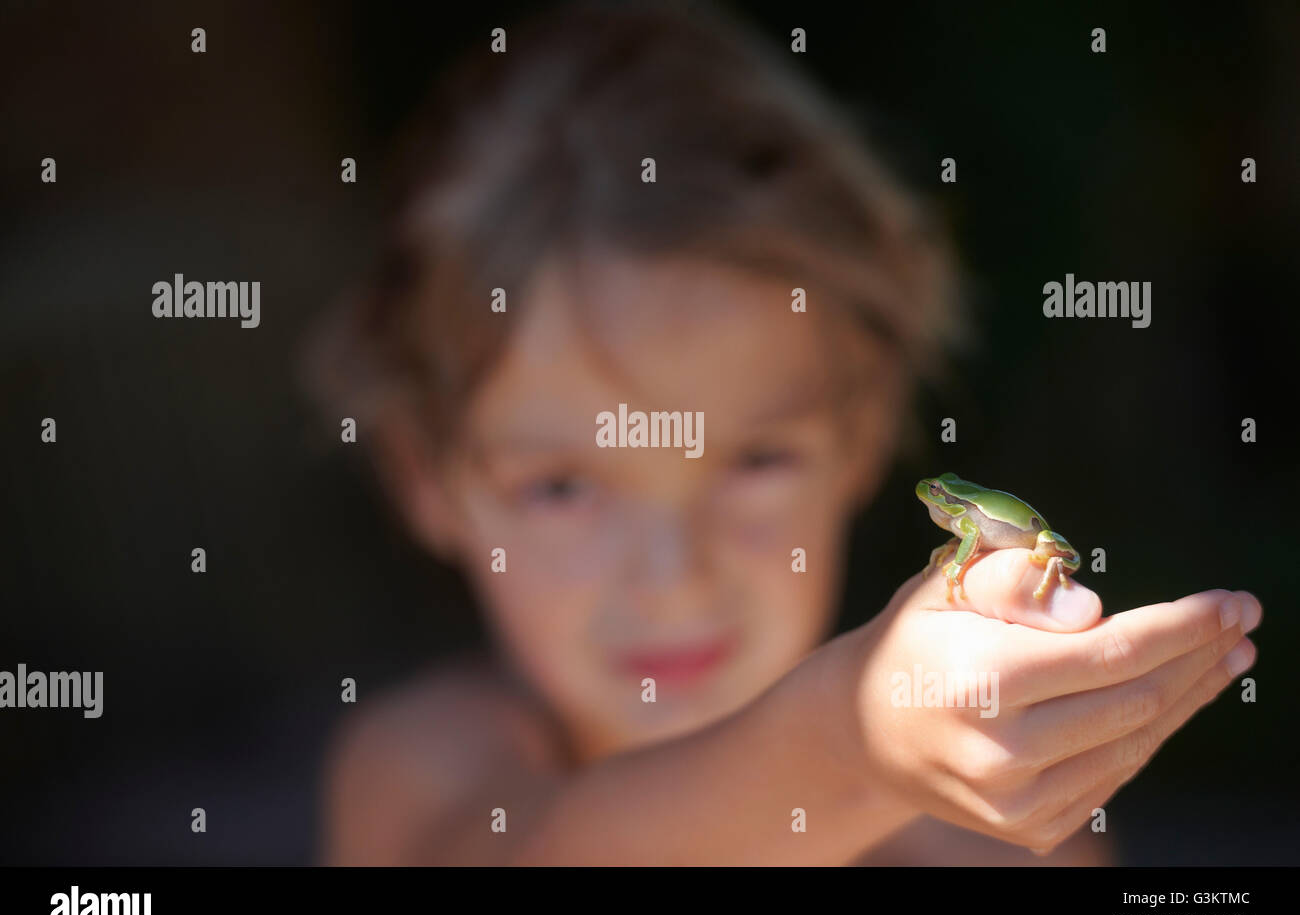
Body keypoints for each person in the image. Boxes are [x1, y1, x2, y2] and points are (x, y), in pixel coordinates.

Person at [300, 0, 1260, 865]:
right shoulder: (427, 767)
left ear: (864, 437)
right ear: (426, 477)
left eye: (756, 460)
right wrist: (852, 742)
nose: (674, 573)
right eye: (561, 485)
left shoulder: (997, 845)